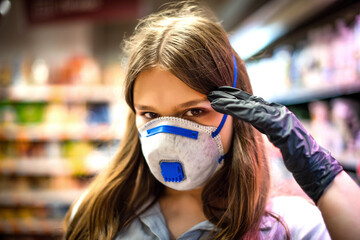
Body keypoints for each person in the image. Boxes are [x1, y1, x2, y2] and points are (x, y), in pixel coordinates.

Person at [63, 1, 360, 239]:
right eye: (150, 115)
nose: (169, 138)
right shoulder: (97, 217)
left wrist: (323, 176)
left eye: (194, 111)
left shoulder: (290, 227)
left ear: (239, 112)